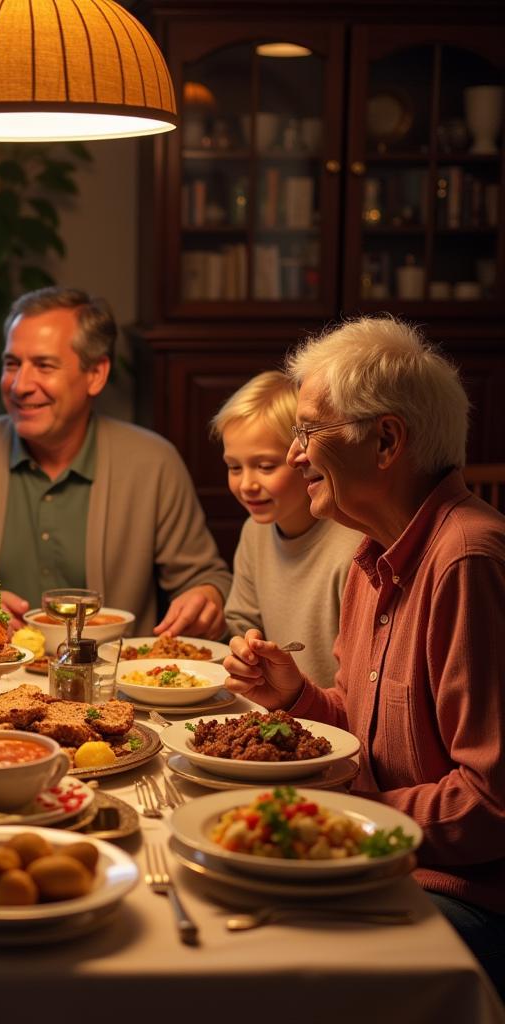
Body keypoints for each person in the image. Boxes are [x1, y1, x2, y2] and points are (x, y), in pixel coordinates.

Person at [223, 316, 505, 994]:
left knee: (255, 962)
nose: (294, 456)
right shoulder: (369, 559)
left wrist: (349, 813)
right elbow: (368, 735)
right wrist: (297, 699)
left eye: (309, 432)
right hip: (383, 864)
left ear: (385, 441)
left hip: (463, 900)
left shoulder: (467, 558)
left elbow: (492, 805)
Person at [0, 286, 231, 637]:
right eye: (12, 364)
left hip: (112, 683)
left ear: (96, 375)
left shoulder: (153, 464)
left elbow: (207, 579)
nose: (19, 385)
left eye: (44, 365)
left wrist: (206, 598)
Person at [211, 370, 361, 686]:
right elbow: (241, 621)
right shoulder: (255, 531)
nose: (247, 484)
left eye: (265, 466)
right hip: (275, 709)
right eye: (234, 467)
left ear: (304, 457)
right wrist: (245, 645)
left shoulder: (353, 546)